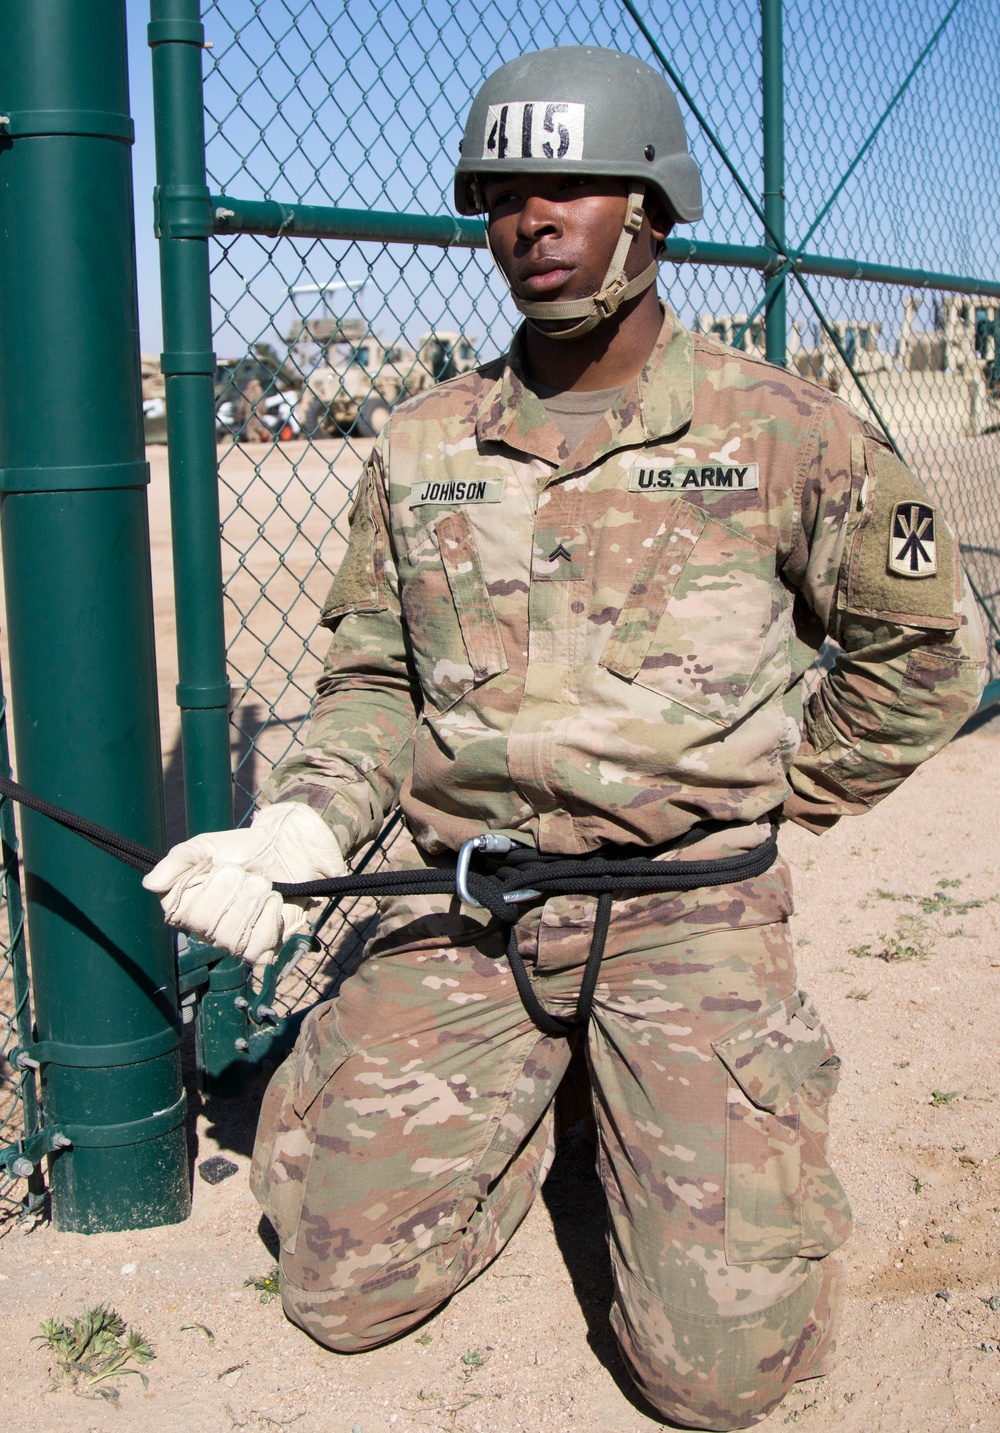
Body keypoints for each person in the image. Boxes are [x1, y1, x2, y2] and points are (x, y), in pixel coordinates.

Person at [145, 46, 987, 1431]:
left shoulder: (779, 431)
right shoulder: (421, 444)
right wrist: (301, 820)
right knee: (339, 1291)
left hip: (685, 911)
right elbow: (372, 675)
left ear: (651, 210)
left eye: (571, 189)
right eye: (503, 195)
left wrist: (780, 786)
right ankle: (538, 1088)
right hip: (477, 901)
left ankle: (654, 1091)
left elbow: (929, 652)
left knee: (717, 1382)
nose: (530, 222)